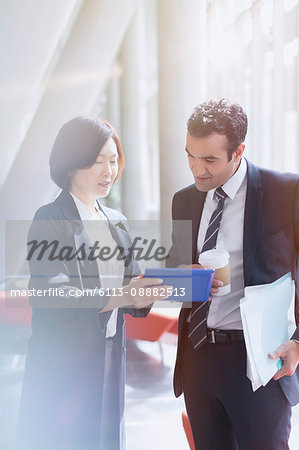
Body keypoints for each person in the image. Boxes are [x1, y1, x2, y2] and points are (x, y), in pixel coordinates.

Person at [16, 117, 170, 450]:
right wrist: (119, 295)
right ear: (71, 163)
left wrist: (149, 293)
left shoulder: (116, 221)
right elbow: (52, 292)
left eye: (113, 161)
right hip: (63, 360)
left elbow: (131, 284)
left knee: (107, 439)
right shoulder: (50, 219)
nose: (108, 171)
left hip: (110, 353)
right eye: (98, 161)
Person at [167, 99, 299, 449]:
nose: (198, 170)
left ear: (239, 150)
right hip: (197, 356)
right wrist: (184, 277)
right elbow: (171, 271)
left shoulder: (285, 192)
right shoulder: (184, 201)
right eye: (190, 156)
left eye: (210, 160)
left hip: (257, 359)